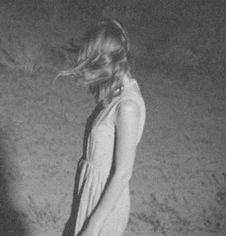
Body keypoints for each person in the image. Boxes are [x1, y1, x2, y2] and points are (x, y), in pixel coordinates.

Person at [57, 19, 146, 236]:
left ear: (107, 61)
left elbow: (123, 173)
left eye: (91, 66)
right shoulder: (117, 93)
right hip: (90, 190)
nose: (86, 73)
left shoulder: (127, 106)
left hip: (103, 200)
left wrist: (94, 225)